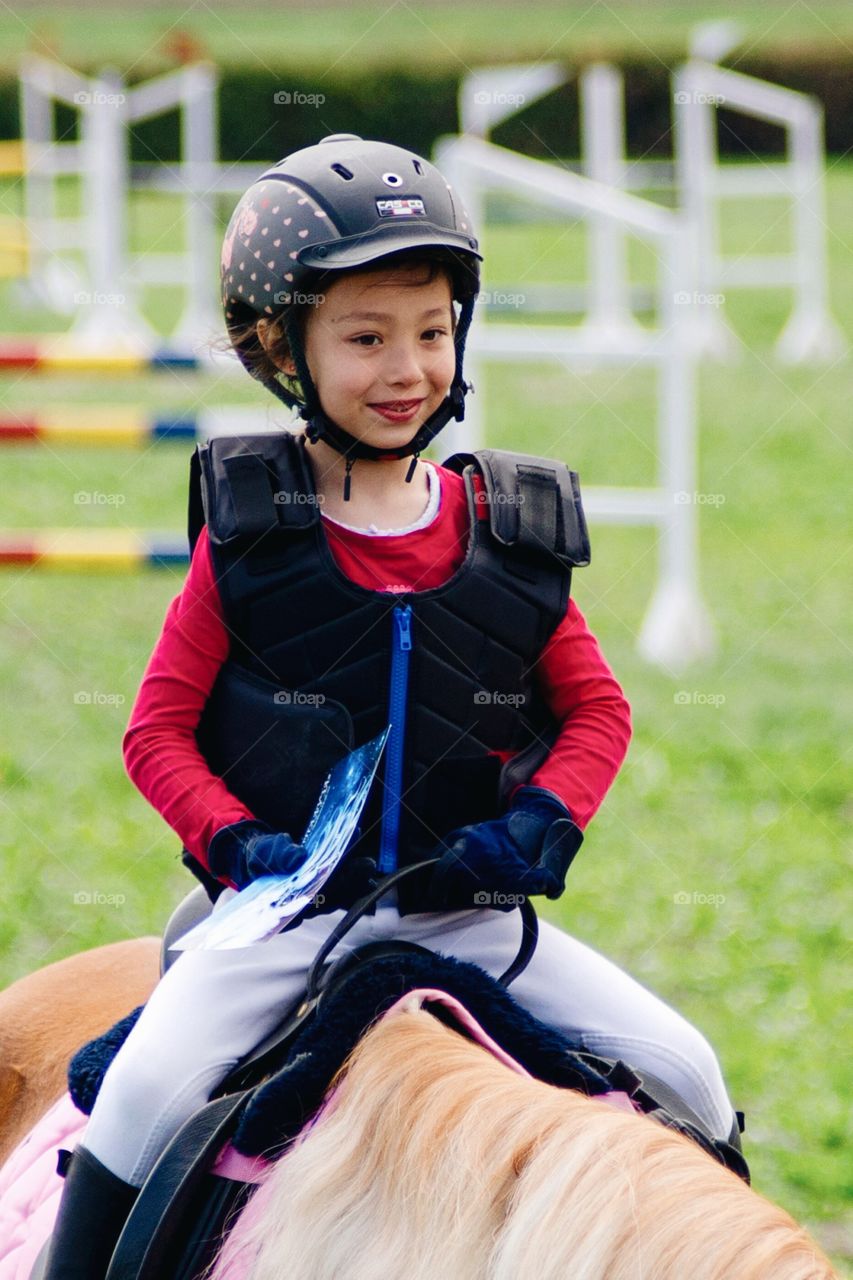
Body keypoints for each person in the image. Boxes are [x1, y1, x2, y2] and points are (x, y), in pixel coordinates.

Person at [43, 135, 740, 1277]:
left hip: (465, 917)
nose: (406, 366)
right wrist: (237, 841)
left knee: (689, 1068)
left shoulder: (511, 539)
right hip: (283, 923)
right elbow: (155, 731)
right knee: (134, 1098)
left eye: (429, 331)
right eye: (365, 337)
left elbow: (597, 712)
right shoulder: (250, 538)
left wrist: (542, 821)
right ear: (281, 347)